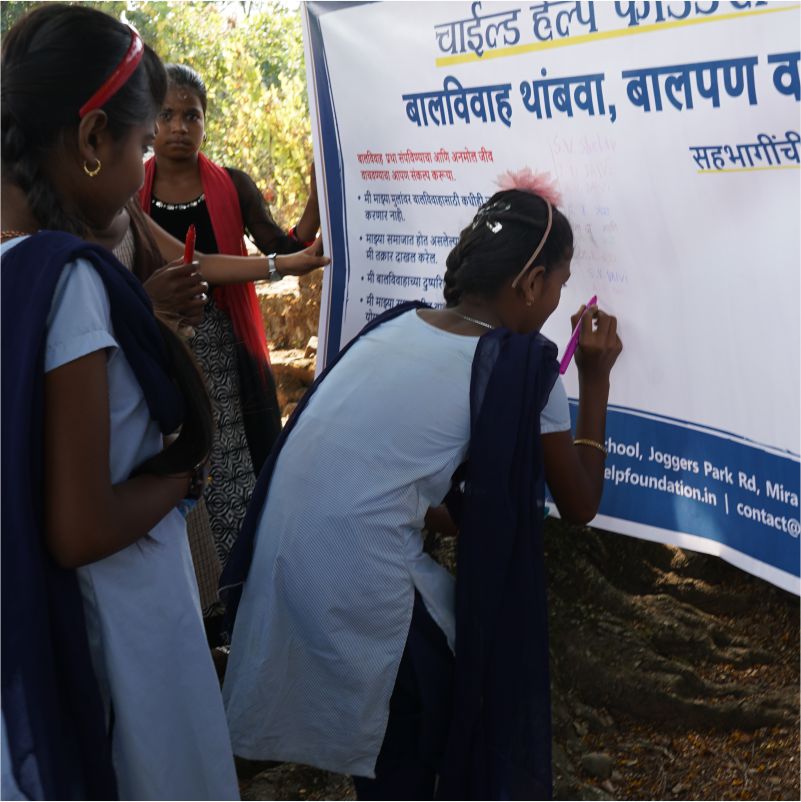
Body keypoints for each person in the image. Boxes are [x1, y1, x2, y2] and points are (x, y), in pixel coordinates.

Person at [220, 178, 623, 799]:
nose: (557, 302)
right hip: (359, 586)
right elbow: (580, 503)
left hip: (286, 570)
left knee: (390, 742)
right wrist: (594, 378)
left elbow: (383, 479)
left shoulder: (395, 327)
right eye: (560, 285)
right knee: (427, 725)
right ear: (530, 284)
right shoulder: (519, 368)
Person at [0, 6, 238, 799]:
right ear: (95, 138)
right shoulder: (63, 282)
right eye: (141, 143)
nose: (145, 165)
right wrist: (184, 479)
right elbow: (81, 526)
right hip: (117, 633)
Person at [139, 63, 322, 595]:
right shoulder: (132, 194)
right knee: (181, 460)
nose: (178, 127)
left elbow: (280, 247)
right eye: (167, 115)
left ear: (205, 123)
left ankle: (243, 587)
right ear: (150, 123)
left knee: (238, 463)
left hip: (227, 353)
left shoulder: (232, 186)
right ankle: (196, 592)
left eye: (190, 116)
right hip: (162, 348)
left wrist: (316, 194)